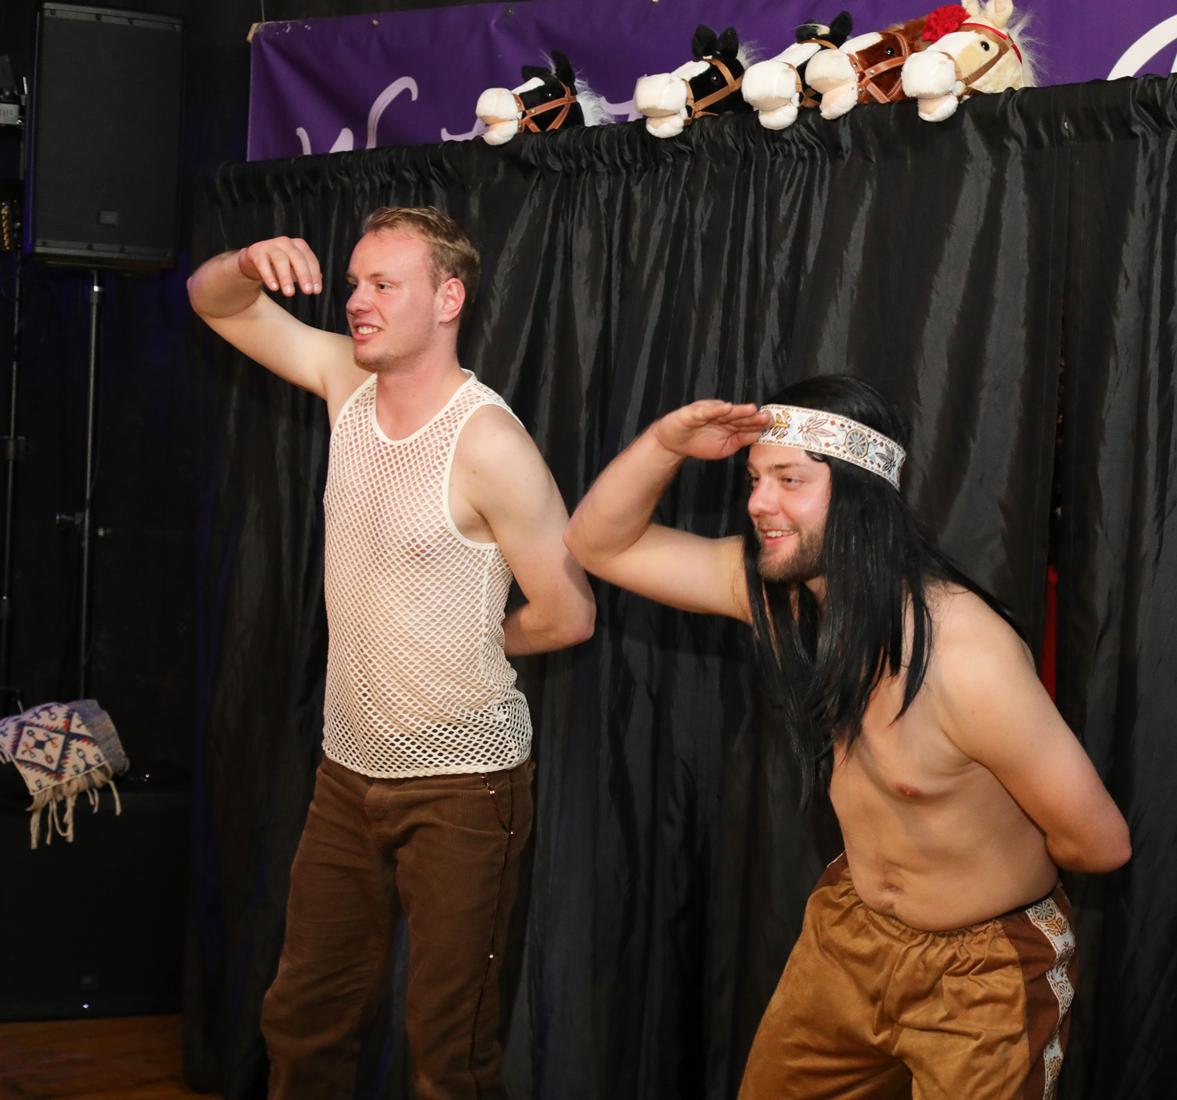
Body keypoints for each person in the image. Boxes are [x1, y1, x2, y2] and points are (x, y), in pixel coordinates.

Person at [564, 374, 1130, 1099]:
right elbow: (597, 545)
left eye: (789, 480)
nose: (758, 503)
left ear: (862, 496)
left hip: (982, 971)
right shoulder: (787, 605)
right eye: (755, 480)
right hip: (850, 934)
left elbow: (1098, 843)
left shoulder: (965, 655)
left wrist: (980, 878)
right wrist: (666, 443)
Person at [187, 206, 595, 1099]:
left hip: (464, 789)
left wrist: (476, 640)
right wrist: (247, 259)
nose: (357, 302)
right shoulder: (346, 380)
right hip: (345, 775)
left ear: (448, 299)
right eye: (353, 283)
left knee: (450, 1049)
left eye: (383, 285)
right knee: (303, 1017)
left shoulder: (490, 442)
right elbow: (213, 302)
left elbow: (567, 614)